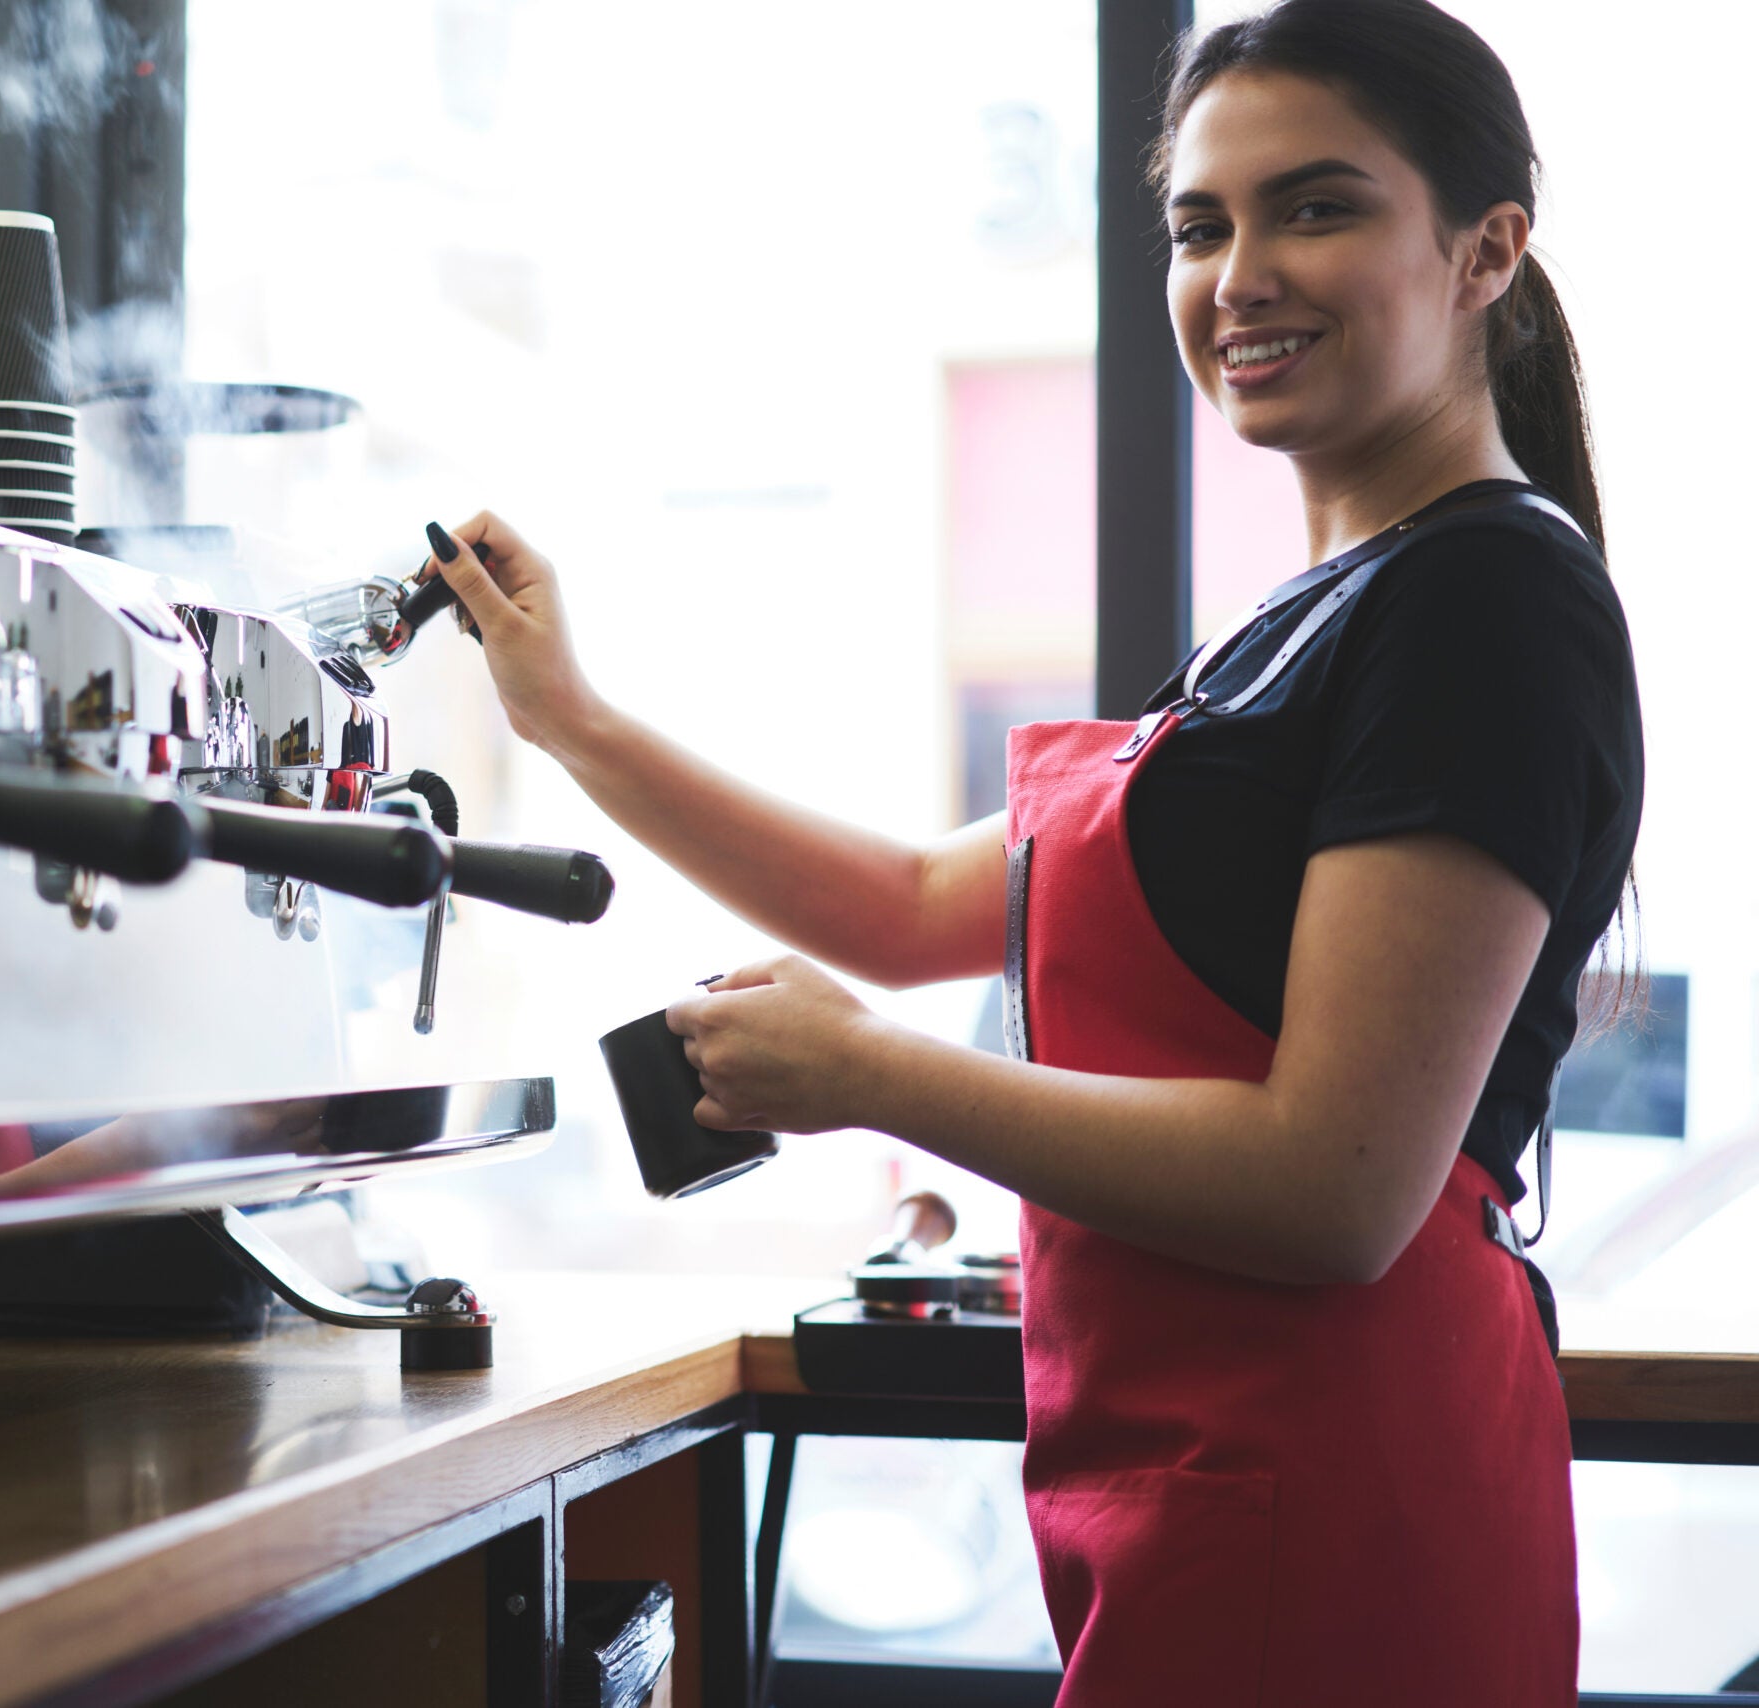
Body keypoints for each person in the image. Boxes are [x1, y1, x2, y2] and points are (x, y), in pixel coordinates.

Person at [414, 0, 1642, 1700]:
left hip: (1345, 1491)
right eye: (1199, 226)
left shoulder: (1484, 604)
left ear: (1485, 248)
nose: (1241, 274)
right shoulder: (1317, 620)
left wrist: (872, 1078)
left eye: (1319, 206)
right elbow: (922, 905)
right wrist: (569, 720)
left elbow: (1337, 1187)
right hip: (1223, 1477)